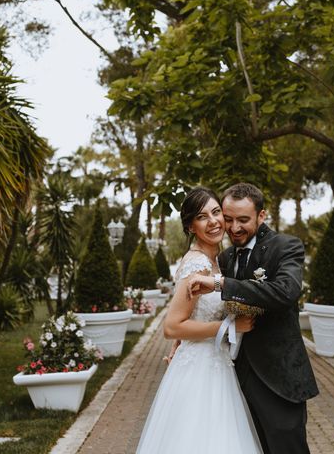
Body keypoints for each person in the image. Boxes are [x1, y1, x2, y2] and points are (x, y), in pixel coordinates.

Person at [188, 183, 319, 454]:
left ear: (261, 216)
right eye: (228, 218)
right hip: (233, 377)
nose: (234, 227)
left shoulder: (286, 246)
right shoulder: (224, 257)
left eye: (243, 220)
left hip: (279, 381)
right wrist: (183, 340)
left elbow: (286, 291)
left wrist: (222, 284)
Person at [136, 186, 263, 454]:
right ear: (191, 226)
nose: (214, 221)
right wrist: (229, 327)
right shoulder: (197, 264)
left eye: (216, 212)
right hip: (198, 371)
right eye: (202, 217)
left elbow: (192, 319)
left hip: (217, 364)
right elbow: (172, 326)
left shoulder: (218, 262)